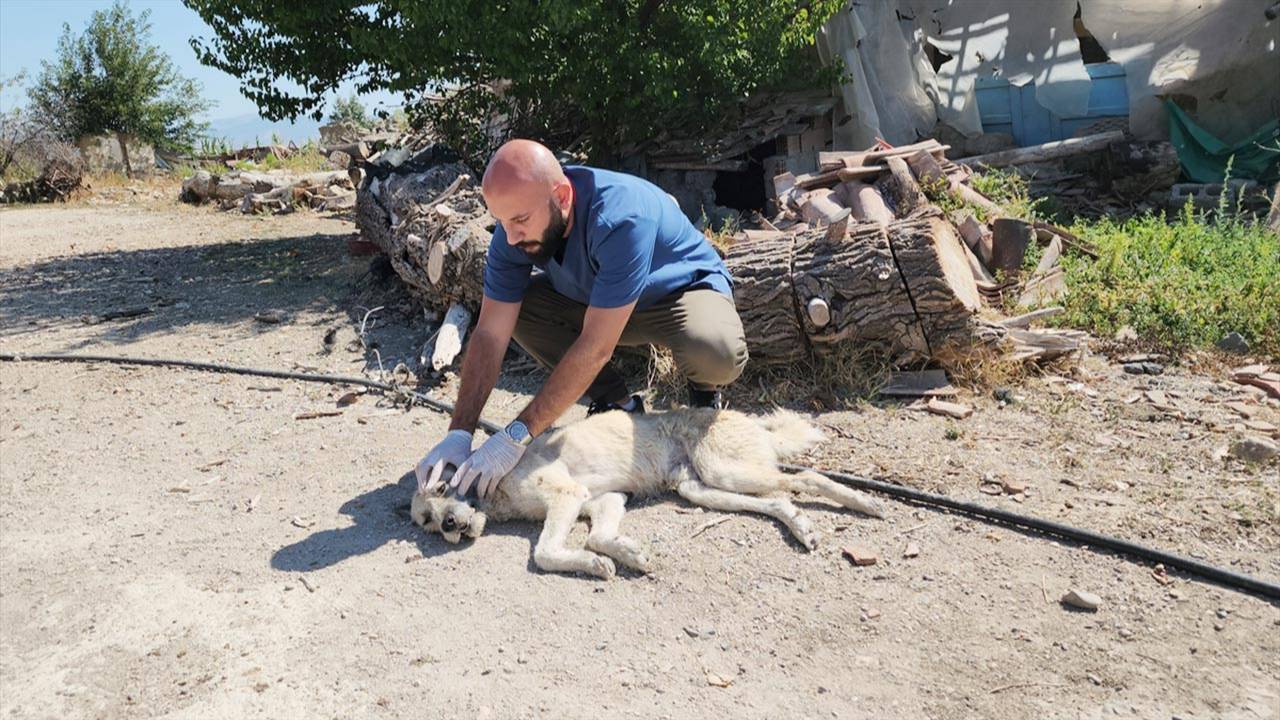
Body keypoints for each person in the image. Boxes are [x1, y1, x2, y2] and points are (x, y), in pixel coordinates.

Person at [415, 139, 747, 499]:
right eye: (502, 221)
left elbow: (595, 346)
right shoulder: (513, 234)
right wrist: (459, 434)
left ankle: (704, 391)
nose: (510, 236)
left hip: (676, 294)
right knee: (518, 312)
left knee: (716, 350)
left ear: (561, 197)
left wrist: (514, 437)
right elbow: (490, 334)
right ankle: (617, 402)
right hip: (601, 300)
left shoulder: (621, 216)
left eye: (521, 220)